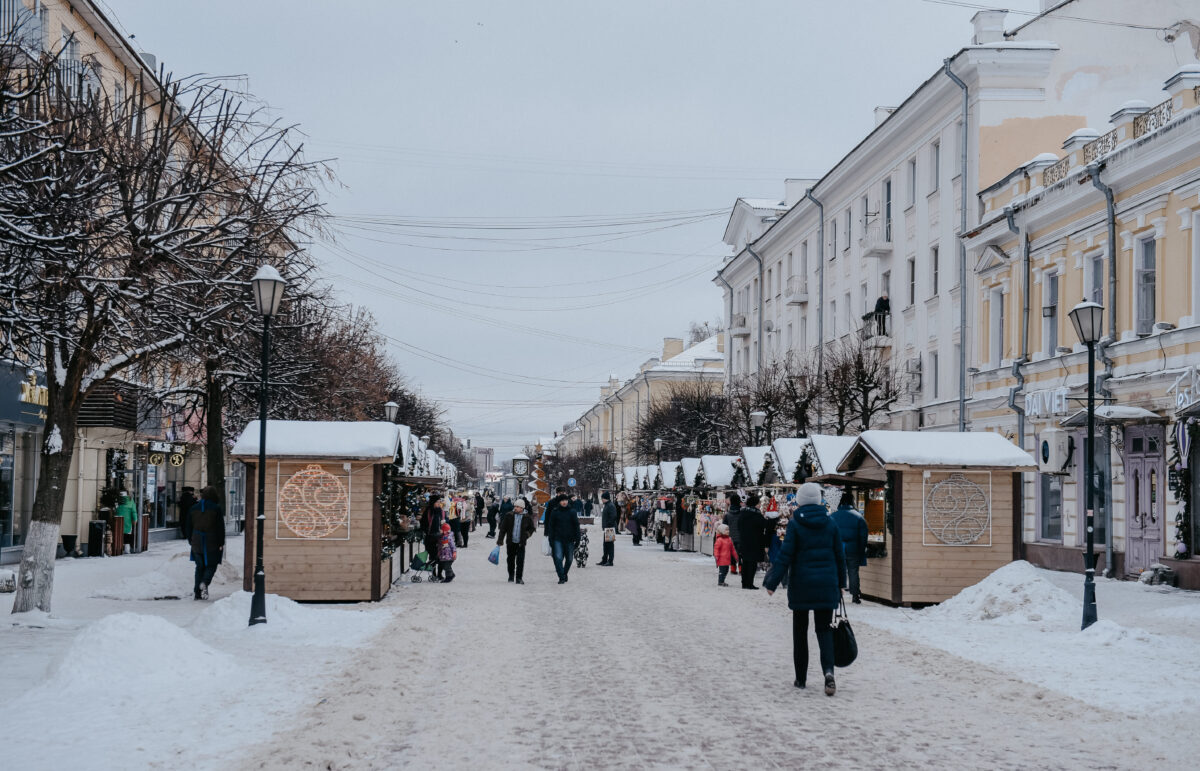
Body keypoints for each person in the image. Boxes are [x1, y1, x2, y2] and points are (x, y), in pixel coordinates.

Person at [764, 482, 847, 696]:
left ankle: (800, 678)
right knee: (824, 630)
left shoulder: (795, 524)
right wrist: (841, 584)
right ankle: (828, 673)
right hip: (826, 585)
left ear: (799, 501)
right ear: (819, 500)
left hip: (801, 585)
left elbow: (786, 555)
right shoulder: (831, 524)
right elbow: (840, 556)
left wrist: (772, 582)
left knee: (800, 632)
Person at [832, 490, 870, 604]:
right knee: (853, 571)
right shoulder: (858, 517)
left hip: (838, 549)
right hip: (853, 549)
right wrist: (861, 549)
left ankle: (838, 594)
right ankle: (855, 595)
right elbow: (863, 536)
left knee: (838, 571)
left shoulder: (833, 516)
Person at [189, 486, 225, 600]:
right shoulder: (216, 508)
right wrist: (221, 542)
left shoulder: (194, 508)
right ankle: (204, 582)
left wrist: (191, 540)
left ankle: (197, 593)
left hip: (196, 540)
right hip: (212, 541)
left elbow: (188, 526)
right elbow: (220, 527)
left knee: (199, 567)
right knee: (211, 565)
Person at [496, 498, 536, 583]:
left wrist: (526, 535)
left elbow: (532, 528)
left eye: (518, 507)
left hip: (521, 542)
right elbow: (503, 529)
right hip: (511, 542)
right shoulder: (509, 515)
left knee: (520, 560)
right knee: (510, 559)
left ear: (522, 508)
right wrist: (500, 540)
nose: (515, 508)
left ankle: (519, 578)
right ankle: (511, 575)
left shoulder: (527, 517)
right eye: (515, 506)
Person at [544, 493, 580, 584]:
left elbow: (576, 525)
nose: (564, 502)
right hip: (558, 538)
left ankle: (564, 573)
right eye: (562, 501)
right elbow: (551, 526)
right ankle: (561, 577)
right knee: (558, 558)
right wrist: (550, 538)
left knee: (569, 559)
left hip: (569, 538)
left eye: (565, 500)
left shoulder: (572, 511)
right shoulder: (555, 511)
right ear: (559, 502)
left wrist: (578, 538)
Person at [738, 493, 768, 590]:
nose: (760, 505)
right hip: (754, 542)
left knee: (745, 562)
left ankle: (744, 583)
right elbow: (764, 525)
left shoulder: (742, 513)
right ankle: (749, 583)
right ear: (755, 504)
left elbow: (738, 525)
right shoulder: (756, 514)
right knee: (752, 563)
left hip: (743, 541)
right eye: (759, 503)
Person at [421, 495, 445, 580]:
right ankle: (433, 574)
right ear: (433, 502)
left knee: (442, 556)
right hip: (430, 538)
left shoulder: (441, 511)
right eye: (437, 502)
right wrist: (427, 531)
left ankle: (439, 574)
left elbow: (445, 523)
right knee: (433, 557)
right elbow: (423, 524)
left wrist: (444, 529)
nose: (439, 503)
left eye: (439, 502)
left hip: (441, 537)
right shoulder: (428, 511)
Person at [723, 492, 743, 574]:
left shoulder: (727, 515)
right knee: (741, 554)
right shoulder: (742, 514)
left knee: (731, 553)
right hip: (741, 537)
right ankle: (741, 568)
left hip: (730, 537)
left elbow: (724, 527)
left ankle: (733, 568)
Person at [597, 491, 618, 566]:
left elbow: (613, 516)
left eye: (602, 498)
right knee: (605, 545)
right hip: (607, 528)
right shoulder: (607, 505)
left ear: (605, 498)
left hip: (610, 528)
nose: (601, 500)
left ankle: (610, 561)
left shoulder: (610, 505)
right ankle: (604, 559)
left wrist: (608, 524)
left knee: (609, 545)